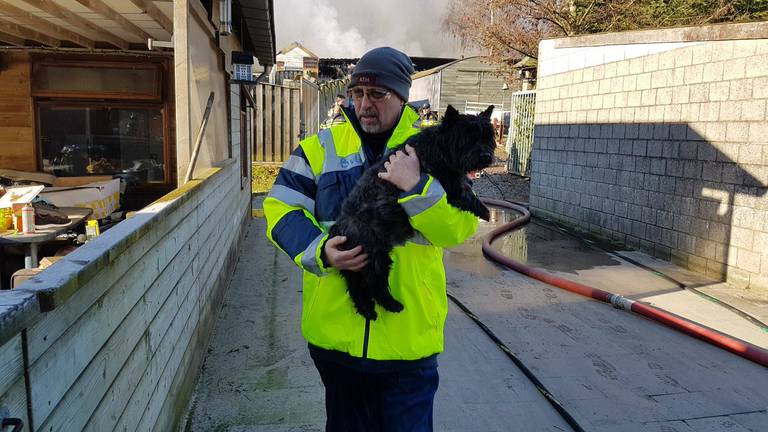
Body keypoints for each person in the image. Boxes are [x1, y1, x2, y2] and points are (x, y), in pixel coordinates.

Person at [264, 47, 479, 432]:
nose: (365, 104)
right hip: (336, 341)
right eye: (358, 93)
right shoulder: (318, 149)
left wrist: (415, 186)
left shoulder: (437, 150)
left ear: (402, 96)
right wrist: (321, 250)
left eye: (378, 95)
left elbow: (458, 231)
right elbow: (280, 210)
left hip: (409, 342)